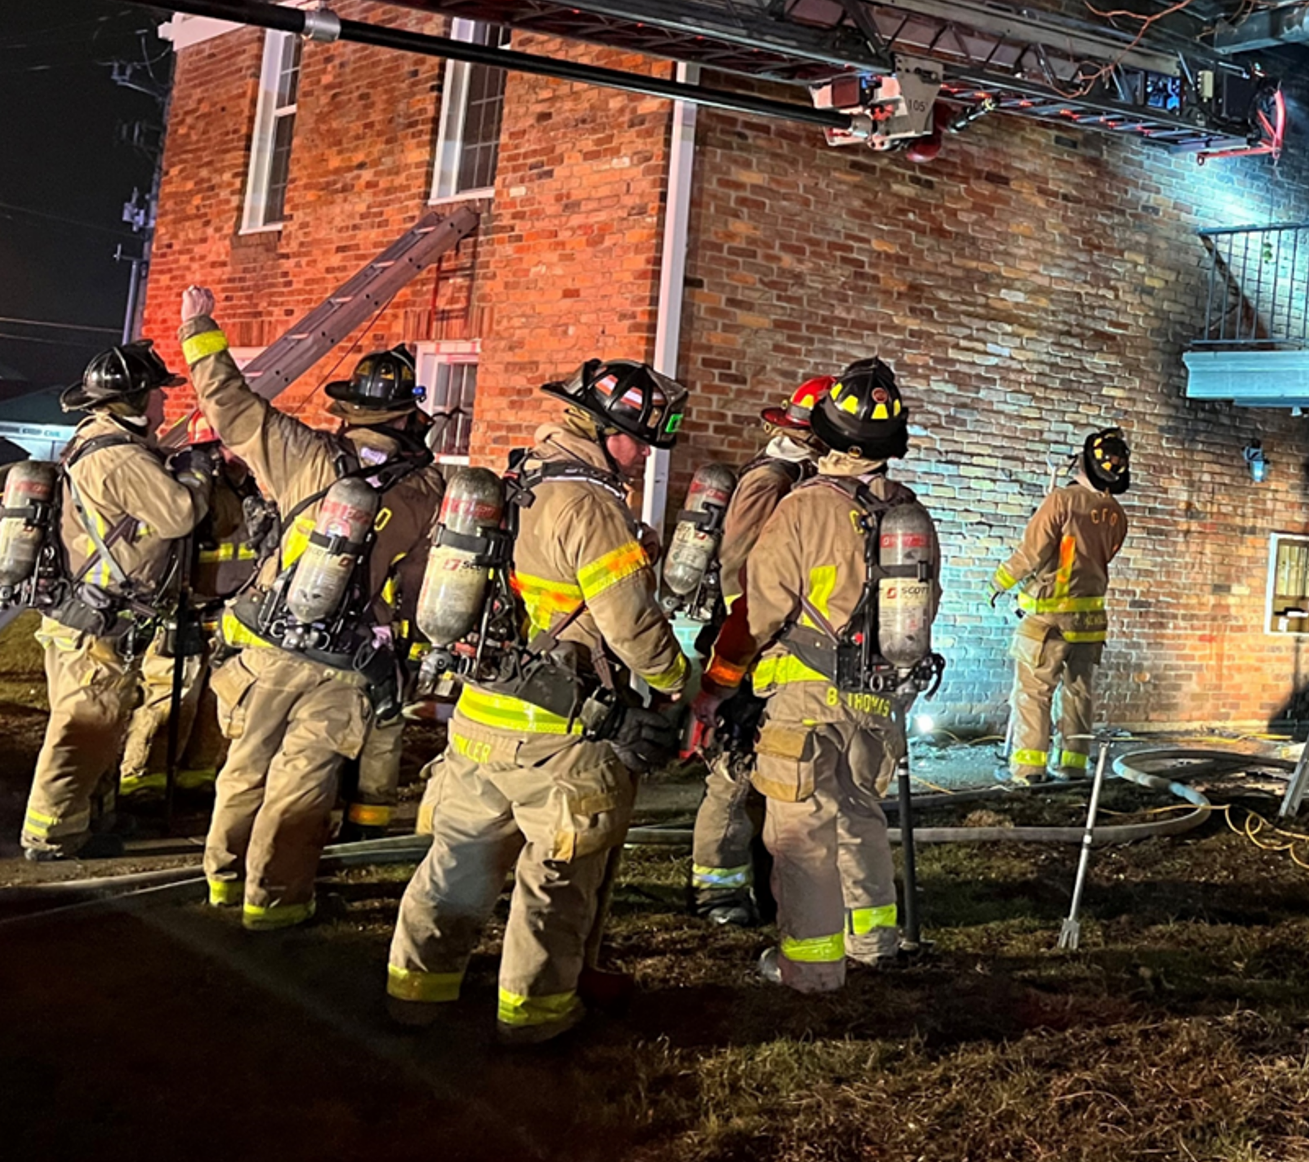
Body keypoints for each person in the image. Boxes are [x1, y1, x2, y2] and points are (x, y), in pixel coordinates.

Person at [386, 358, 693, 1046]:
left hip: (481, 718)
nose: (644, 454)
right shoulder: (589, 505)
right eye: (637, 439)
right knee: (557, 880)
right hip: (560, 738)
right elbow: (631, 625)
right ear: (606, 429)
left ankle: (414, 996)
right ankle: (536, 1018)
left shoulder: (521, 479)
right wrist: (678, 682)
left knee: (456, 864)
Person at [179, 286, 444, 930]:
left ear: (349, 410)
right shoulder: (427, 488)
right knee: (303, 784)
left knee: (243, 770)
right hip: (344, 662)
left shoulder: (303, 452)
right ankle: (275, 903)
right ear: (410, 419)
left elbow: (229, 404)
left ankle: (223, 882)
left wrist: (198, 327)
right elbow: (417, 587)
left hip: (267, 648)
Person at [698, 356, 938, 993]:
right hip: (877, 700)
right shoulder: (910, 516)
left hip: (803, 697)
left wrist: (718, 684)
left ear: (824, 435)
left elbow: (759, 608)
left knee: (801, 832)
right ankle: (873, 942)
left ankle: (810, 970)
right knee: (860, 816)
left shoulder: (803, 508)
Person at [21, 342, 205, 860]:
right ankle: (50, 834)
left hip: (86, 615)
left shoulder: (97, 442)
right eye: (157, 396)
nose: (164, 406)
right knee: (83, 728)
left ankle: (89, 819)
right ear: (137, 400)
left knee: (100, 724)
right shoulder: (121, 457)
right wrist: (197, 472)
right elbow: (180, 515)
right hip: (93, 621)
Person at [687, 373, 831, 926]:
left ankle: (768, 888)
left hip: (775, 649)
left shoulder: (798, 477)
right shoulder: (770, 481)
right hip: (748, 644)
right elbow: (739, 575)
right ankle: (716, 892)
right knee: (734, 771)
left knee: (770, 776)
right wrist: (745, 656)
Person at [118, 412, 254, 801]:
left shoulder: (248, 486)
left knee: (221, 694)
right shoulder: (194, 487)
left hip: (232, 609)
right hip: (187, 608)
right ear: (213, 447)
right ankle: (143, 777)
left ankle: (196, 776)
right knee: (171, 694)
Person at [991, 427, 1131, 786]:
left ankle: (1028, 769)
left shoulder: (1061, 501)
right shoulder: (1116, 514)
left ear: (1083, 462)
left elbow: (1032, 553)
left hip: (1049, 618)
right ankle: (1072, 764)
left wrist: (998, 583)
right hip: (1091, 620)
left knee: (1033, 692)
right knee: (1079, 692)